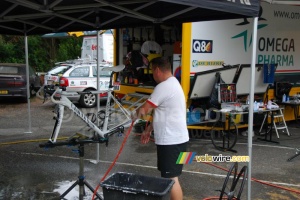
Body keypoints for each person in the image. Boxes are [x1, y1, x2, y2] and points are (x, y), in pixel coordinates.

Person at [132, 57, 189, 200]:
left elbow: (144, 110)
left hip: (172, 142)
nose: (152, 74)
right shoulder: (174, 83)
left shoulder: (163, 87)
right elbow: (163, 113)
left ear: (157, 70)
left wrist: (131, 115)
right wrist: (149, 129)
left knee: (171, 179)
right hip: (178, 140)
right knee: (171, 177)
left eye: (152, 71)